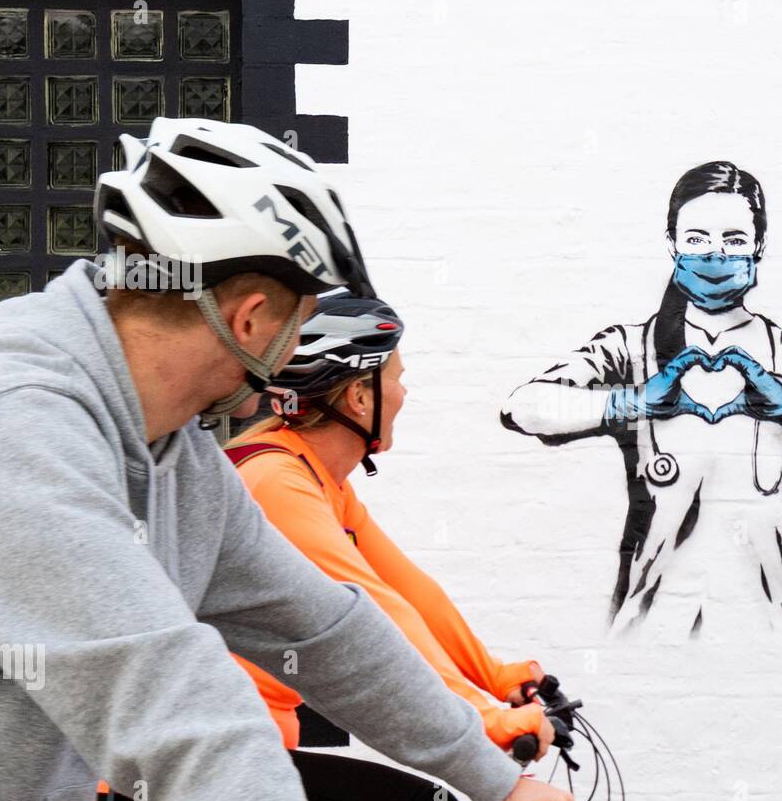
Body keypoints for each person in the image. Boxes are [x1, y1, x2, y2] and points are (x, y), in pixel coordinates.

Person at [0, 117, 572, 801]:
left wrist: (490, 776)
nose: (297, 349)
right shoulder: (8, 427)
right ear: (250, 322)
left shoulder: (176, 457)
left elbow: (326, 629)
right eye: (300, 322)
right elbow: (164, 690)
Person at [502, 161, 782, 640]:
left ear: (759, 244)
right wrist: (630, 402)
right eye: (696, 239)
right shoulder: (631, 348)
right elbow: (524, 407)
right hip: (651, 626)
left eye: (734, 240)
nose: (715, 255)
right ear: (672, 243)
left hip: (781, 626)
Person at [222, 291, 557, 764]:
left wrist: (494, 674)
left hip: (248, 752)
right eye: (397, 378)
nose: (404, 392)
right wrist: (479, 715)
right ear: (359, 396)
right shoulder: (274, 481)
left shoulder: (317, 478)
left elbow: (407, 590)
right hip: (201, 764)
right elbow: (375, 613)